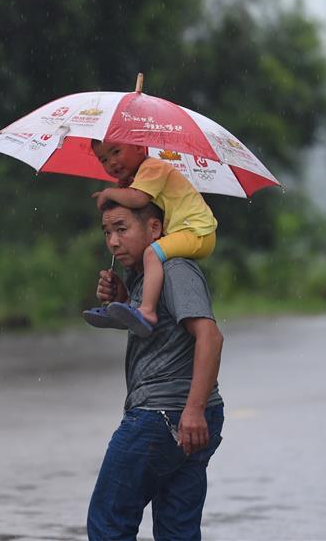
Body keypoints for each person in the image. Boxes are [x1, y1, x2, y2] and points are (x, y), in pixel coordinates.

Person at [87, 199, 224, 540]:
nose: (113, 242)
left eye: (122, 229)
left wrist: (192, 411)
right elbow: (158, 329)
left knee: (109, 523)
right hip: (185, 416)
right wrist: (124, 297)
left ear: (154, 228)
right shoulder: (147, 276)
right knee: (177, 529)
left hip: (163, 415)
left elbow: (210, 336)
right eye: (107, 232)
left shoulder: (175, 269)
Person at [86, 140, 218, 337]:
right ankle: (126, 307)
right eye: (104, 159)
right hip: (186, 231)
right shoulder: (140, 176)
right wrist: (121, 297)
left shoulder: (153, 166)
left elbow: (138, 199)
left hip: (197, 232)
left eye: (116, 152)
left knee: (151, 254)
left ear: (140, 148)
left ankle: (146, 311)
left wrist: (109, 193)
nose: (112, 162)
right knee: (151, 255)